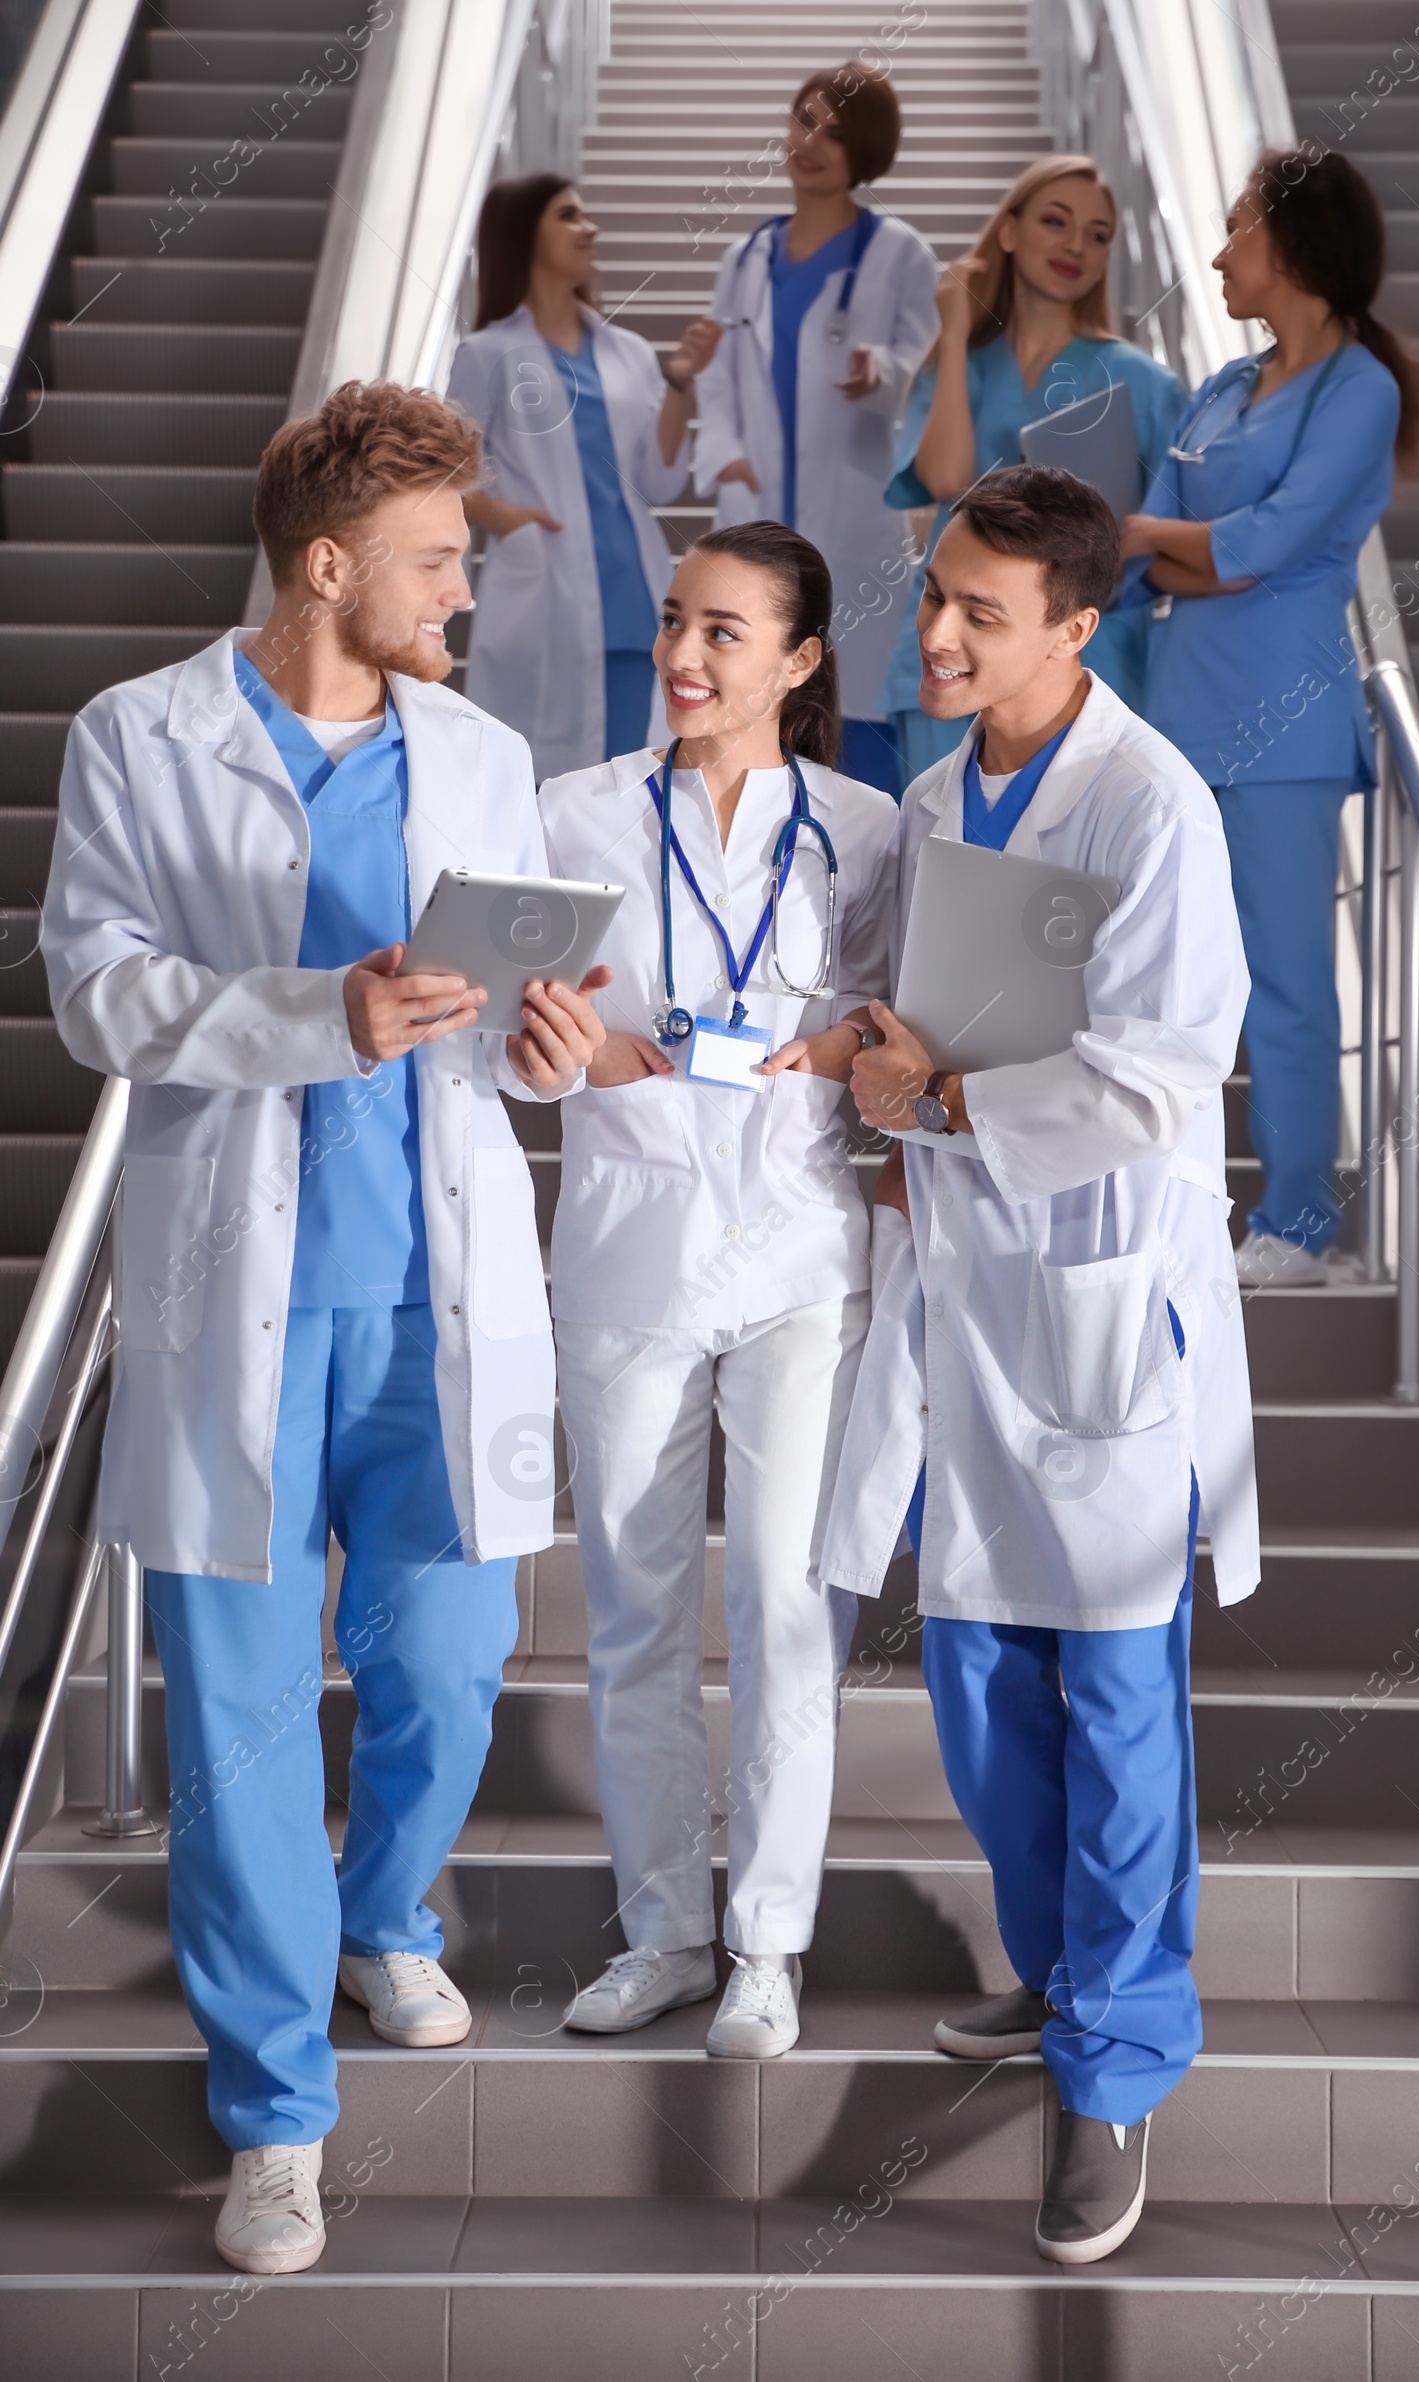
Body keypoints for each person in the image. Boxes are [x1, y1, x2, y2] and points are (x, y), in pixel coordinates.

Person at [41, 384, 607, 2278]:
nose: (465, 590)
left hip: (439, 1294)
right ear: (330, 563)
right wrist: (316, 1018)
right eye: (440, 559)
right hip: (239, 1301)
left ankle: (382, 1914)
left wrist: (549, 1052)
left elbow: (517, 1012)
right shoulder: (140, 735)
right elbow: (100, 994)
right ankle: (274, 2110)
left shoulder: (482, 750)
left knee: (448, 1665)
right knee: (244, 1723)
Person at [823, 465, 1258, 2265]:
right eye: (933, 595)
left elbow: (1170, 1066)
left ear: (1079, 626)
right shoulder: (931, 796)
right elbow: (903, 1012)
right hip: (964, 1292)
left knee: (1115, 1712)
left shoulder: (1152, 807)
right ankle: (1068, 1967)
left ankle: (1115, 2072)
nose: (932, 632)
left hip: (1091, 1308)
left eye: (978, 613)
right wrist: (859, 1069)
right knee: (983, 1696)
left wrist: (952, 1098)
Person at [537, 522, 899, 2058]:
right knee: (632, 1609)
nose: (685, 656)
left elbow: (895, 1034)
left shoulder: (869, 829)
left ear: (801, 662)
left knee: (782, 1600)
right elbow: (504, 1024)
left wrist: (866, 1066)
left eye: (726, 632)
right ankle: (666, 1929)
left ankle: (768, 1943)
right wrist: (545, 1054)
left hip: (804, 1245)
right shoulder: (569, 815)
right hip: (628, 1243)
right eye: (677, 622)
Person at [1123, 148, 1419, 1287]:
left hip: (1285, 724)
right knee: (1156, 979)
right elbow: (1152, 558)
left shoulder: (1359, 389)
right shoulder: (1216, 389)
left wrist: (1180, 548)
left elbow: (1266, 543)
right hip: (1177, 716)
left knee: (1287, 981)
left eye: (1238, 229)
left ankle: (1299, 1220)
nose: (1216, 253)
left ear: (1295, 245)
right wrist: (1188, 552)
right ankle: (1166, 1197)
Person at [880, 155, 1185, 784]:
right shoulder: (957, 366)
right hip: (952, 645)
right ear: (1010, 232)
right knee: (939, 850)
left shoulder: (1146, 385)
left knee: (1065, 865)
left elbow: (1160, 540)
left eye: (1098, 235)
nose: (1077, 245)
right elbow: (943, 479)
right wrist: (957, 331)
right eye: (1056, 221)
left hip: (1085, 652)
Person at [691, 65, 938, 797]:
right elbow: (719, 373)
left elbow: (927, 372)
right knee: (747, 711)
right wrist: (725, 456)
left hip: (857, 519)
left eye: (836, 132)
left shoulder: (899, 255)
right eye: (804, 120)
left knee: (852, 723)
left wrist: (884, 371)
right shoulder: (747, 258)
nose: (812, 142)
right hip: (756, 505)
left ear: (866, 152)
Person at [447, 174, 719, 776]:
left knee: (634, 775)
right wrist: (507, 518)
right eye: (569, 216)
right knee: (541, 776)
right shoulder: (487, 355)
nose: (589, 228)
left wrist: (678, 384)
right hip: (545, 590)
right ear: (524, 236)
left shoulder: (626, 352)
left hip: (634, 595)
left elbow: (660, 478)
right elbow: (445, 476)